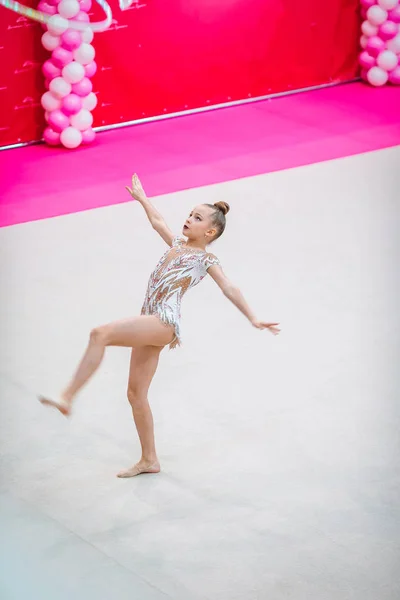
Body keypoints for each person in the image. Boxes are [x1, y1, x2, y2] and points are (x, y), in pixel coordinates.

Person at [39, 174, 280, 477]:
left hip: (163, 321)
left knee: (100, 333)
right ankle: (149, 460)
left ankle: (68, 396)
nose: (189, 220)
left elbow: (229, 287)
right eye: (190, 215)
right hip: (150, 317)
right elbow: (159, 222)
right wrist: (142, 199)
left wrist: (253, 317)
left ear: (211, 231)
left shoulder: (205, 259)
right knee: (136, 394)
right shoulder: (178, 243)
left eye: (197, 218)